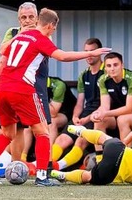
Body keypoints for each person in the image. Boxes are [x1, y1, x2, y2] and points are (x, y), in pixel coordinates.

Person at [0, 8, 111, 186]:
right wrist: (90, 53)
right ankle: (42, 177)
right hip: (22, 89)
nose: (53, 31)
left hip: (3, 89)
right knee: (43, 132)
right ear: (50, 25)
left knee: (8, 134)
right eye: (54, 28)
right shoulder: (40, 38)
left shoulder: (19, 37)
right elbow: (62, 56)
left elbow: (1, 62)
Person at [0, 2, 50, 162]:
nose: (27, 21)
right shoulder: (12, 32)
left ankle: (45, 167)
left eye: (31, 17)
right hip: (16, 83)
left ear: (37, 18)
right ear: (18, 19)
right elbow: (2, 50)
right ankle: (16, 164)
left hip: (37, 81)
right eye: (23, 18)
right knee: (17, 128)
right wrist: (20, 35)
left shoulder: (43, 32)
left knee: (42, 128)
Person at [50, 126, 132, 185]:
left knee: (104, 138)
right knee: (88, 176)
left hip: (119, 151)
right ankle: (63, 175)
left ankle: (81, 131)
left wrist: (123, 142)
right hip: (113, 174)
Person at [52, 38, 104, 170]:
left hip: (100, 115)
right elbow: (80, 102)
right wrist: (76, 116)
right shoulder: (84, 75)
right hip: (85, 114)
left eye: (92, 51)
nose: (89, 54)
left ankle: (57, 167)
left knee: (81, 140)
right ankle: (44, 165)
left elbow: (106, 104)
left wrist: (86, 119)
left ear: (99, 52)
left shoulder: (106, 73)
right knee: (61, 140)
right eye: (86, 51)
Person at [91, 53, 132, 148]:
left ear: (122, 65)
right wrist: (97, 114)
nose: (112, 68)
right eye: (109, 66)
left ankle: (125, 156)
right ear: (105, 68)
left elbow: (129, 109)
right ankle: (100, 159)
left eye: (115, 65)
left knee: (122, 120)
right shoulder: (103, 80)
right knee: (99, 121)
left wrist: (105, 113)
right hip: (117, 112)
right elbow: (105, 106)